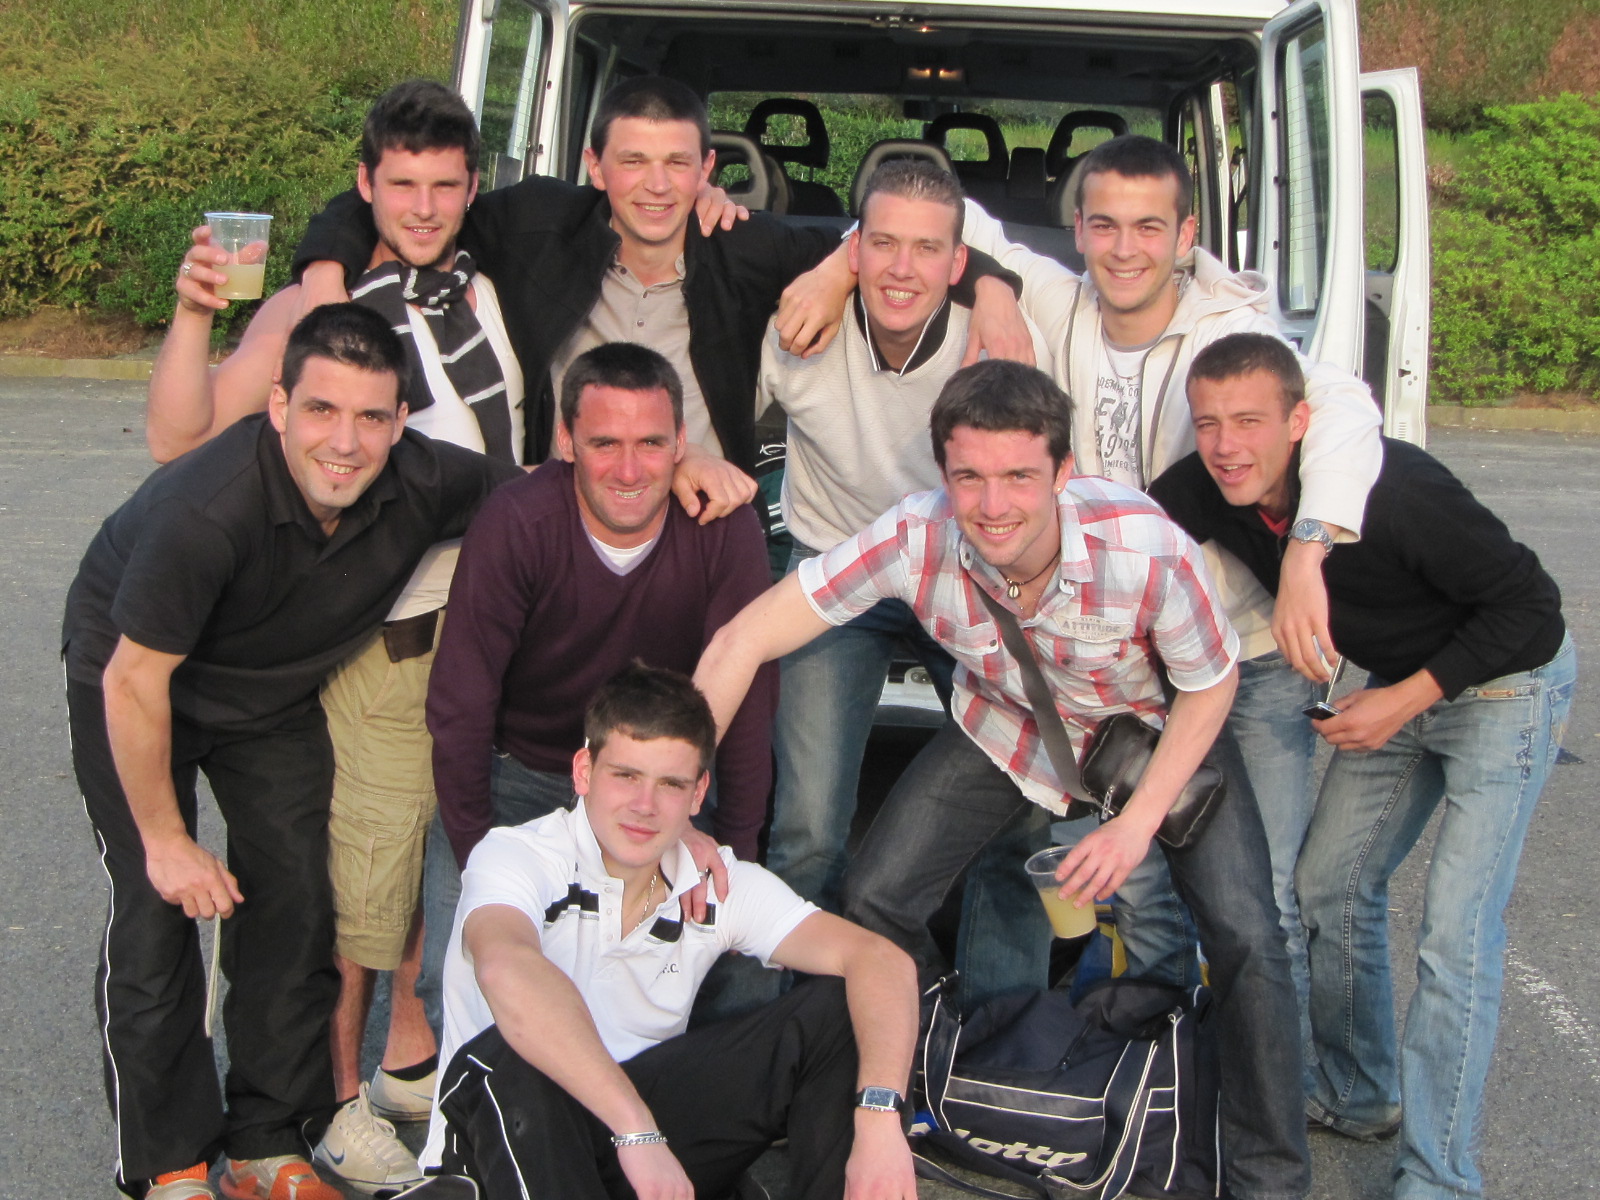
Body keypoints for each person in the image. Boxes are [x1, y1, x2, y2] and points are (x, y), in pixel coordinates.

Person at [694, 359, 1310, 1200]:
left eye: (1020, 476)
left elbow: (1211, 684)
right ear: (942, 474)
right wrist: (673, 799)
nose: (992, 505)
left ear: (1063, 472)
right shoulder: (915, 535)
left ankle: (1270, 1176)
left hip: (1153, 738)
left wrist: (1133, 829)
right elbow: (744, 639)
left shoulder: (1142, 543)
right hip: (1005, 728)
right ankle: (921, 1085)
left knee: (1247, 937)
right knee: (874, 897)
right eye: (969, 478)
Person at [146, 80, 528, 1191]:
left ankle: (403, 1058)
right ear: (363, 188)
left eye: (443, 185)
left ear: (471, 189)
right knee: (353, 876)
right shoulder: (327, 308)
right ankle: (324, 1108)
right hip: (377, 631)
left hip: (481, 622)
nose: (421, 205)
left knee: (415, 866)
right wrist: (195, 314)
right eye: (398, 184)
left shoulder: (487, 285)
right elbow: (177, 439)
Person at [62, 304, 521, 1200]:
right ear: (277, 407)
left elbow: (549, 488)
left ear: (400, 422)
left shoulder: (426, 481)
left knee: (301, 897)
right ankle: (169, 1165)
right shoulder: (207, 511)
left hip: (265, 699)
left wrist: (684, 463)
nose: (344, 443)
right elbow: (131, 684)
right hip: (135, 679)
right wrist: (166, 840)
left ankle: (270, 1138)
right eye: (321, 411)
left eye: (371, 418)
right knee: (157, 918)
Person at [1147, 331, 1575, 1200]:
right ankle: (1357, 1093)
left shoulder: (1398, 493)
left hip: (1503, 689)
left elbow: (1533, 610)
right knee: (1326, 887)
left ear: (1300, 421)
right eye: (1208, 424)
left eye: (1250, 422)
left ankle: (1441, 1175)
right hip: (1396, 689)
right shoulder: (1210, 485)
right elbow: (1121, 532)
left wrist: (1404, 697)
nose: (1227, 445)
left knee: (1456, 936)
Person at [959, 133, 1383, 997]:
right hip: (1124, 667)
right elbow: (946, 213)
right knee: (1138, 877)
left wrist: (1310, 549)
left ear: (1187, 234)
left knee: (1253, 896)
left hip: (1245, 655)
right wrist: (993, 287)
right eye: (1105, 225)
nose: (1125, 249)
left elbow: (1344, 403)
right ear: (1074, 231)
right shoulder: (1053, 301)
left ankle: (1261, 1087)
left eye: (1149, 228)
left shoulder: (1227, 329)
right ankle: (1164, 1066)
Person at [289, 76, 1033, 500]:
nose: (655, 186)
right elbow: (400, 204)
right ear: (594, 163)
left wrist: (989, 288)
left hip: (705, 514)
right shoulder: (539, 224)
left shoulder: (738, 244)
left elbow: (891, 246)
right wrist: (326, 276)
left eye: (677, 164)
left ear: (708, 169)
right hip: (567, 508)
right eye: (634, 162)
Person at [417, 662, 920, 1200]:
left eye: (670, 785)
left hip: (643, 1143)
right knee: (514, 1054)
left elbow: (881, 961)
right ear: (583, 770)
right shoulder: (518, 854)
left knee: (846, 1009)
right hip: (510, 1144)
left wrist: (880, 1120)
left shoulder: (713, 882)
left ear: (698, 794)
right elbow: (504, 967)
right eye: (626, 776)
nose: (644, 806)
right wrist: (636, 1130)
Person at [756, 157, 1054, 1004]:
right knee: (809, 827)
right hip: (837, 577)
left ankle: (1002, 1029)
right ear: (852, 249)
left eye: (927, 250)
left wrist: (997, 289)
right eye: (880, 243)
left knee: (1017, 817)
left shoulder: (993, 336)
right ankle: (799, 1028)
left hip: (966, 582)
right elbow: (709, 412)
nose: (901, 268)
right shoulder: (797, 324)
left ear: (959, 263)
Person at [420, 342, 777, 1024]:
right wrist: (479, 859)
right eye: (604, 442)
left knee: (712, 987)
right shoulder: (517, 522)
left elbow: (751, 708)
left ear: (680, 444)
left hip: (661, 782)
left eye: (650, 443)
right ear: (565, 440)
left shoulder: (722, 532)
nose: (629, 468)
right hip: (527, 773)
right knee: (465, 988)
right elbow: (461, 707)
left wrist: (732, 851)